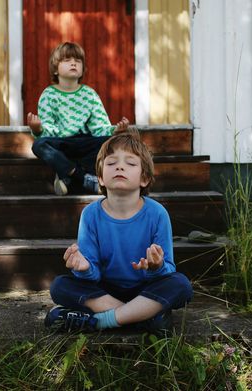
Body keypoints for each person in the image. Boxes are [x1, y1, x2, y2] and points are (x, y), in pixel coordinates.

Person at [44, 129, 193, 336]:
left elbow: (168, 269)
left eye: (130, 163)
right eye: (111, 163)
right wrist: (84, 268)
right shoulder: (91, 215)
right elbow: (92, 276)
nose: (120, 167)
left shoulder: (157, 213)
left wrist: (156, 267)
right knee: (60, 286)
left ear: (145, 179)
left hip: (144, 289)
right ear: (101, 179)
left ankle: (100, 321)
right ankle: (144, 317)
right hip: (105, 291)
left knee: (181, 285)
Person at [28, 42, 129, 196]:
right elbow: (49, 130)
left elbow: (99, 126)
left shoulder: (89, 94)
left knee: (112, 142)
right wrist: (38, 129)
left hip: (84, 143)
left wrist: (115, 130)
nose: (73, 63)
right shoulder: (48, 95)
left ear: (82, 69)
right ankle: (82, 177)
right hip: (62, 145)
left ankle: (65, 175)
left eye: (78, 61)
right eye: (67, 60)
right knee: (39, 145)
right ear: (55, 69)